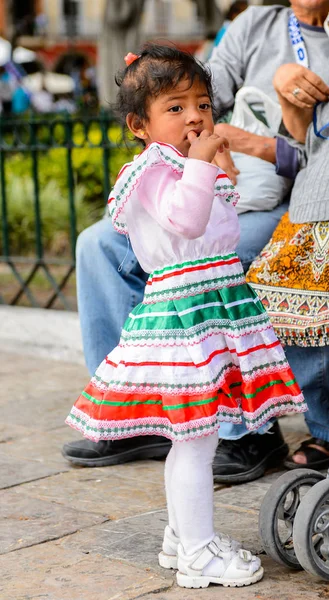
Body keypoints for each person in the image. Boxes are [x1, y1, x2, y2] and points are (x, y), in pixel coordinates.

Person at [66, 43, 306, 588]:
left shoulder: (180, 163)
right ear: (140, 125)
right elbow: (187, 222)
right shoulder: (151, 170)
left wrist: (219, 169)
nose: (194, 116)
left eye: (202, 103)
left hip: (212, 304)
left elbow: (218, 227)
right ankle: (198, 551)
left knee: (197, 436)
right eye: (175, 108)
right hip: (184, 315)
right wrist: (201, 169)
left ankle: (183, 535)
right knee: (197, 437)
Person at [62, 0, 329, 480]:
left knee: (214, 264)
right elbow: (200, 85)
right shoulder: (257, 23)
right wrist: (188, 111)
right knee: (98, 245)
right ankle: (138, 413)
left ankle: (242, 429)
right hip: (194, 183)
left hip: (283, 197)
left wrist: (256, 144)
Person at [247, 71, 329, 470]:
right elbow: (303, 140)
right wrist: (286, 94)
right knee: (292, 315)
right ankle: (326, 430)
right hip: (311, 204)